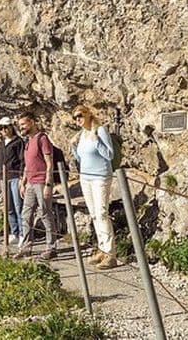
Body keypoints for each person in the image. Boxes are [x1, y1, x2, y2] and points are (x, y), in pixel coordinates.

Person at [70, 105, 118, 270]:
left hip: (100, 177)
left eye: (80, 115)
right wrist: (74, 147)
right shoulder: (82, 134)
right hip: (86, 178)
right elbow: (81, 159)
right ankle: (102, 249)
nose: (77, 119)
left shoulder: (100, 130)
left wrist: (96, 141)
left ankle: (110, 254)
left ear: (88, 114)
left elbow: (109, 154)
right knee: (94, 215)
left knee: (102, 213)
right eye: (75, 117)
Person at [14, 112, 58, 261]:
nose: (21, 127)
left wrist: (48, 184)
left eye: (23, 124)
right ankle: (26, 247)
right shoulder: (28, 141)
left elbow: (49, 163)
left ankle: (51, 247)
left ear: (32, 122)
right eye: (20, 125)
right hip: (31, 183)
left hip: (41, 181)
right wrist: (23, 182)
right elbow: (28, 164)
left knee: (45, 213)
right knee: (26, 215)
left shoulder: (42, 139)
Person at [0, 117, 25, 248]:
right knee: (8, 207)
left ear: (11, 127)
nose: (4, 130)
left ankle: (23, 233)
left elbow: (22, 160)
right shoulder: (1, 143)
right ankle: (14, 232)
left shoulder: (18, 142)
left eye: (6, 127)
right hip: (4, 177)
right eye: (1, 128)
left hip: (15, 176)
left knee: (18, 206)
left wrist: (21, 176)